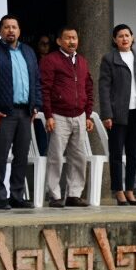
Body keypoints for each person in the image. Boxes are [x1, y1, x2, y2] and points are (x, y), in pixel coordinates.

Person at [0, 15, 41, 209]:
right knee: (1, 155)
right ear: (0, 31)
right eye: (6, 27)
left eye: (14, 27)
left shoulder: (29, 52)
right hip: (4, 113)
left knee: (21, 155)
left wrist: (36, 105)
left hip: (25, 112)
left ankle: (17, 195)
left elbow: (36, 82)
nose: (10, 31)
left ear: (19, 31)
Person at [99, 25, 136, 206]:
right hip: (117, 114)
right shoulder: (109, 59)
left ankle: (130, 189)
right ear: (114, 40)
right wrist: (107, 114)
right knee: (116, 153)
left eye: (127, 35)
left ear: (132, 38)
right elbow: (104, 88)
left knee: (133, 154)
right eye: (120, 36)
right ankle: (118, 190)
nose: (124, 39)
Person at [40, 26, 95, 208]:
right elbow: (45, 89)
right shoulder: (50, 60)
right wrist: (48, 115)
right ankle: (54, 194)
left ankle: (74, 194)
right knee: (55, 156)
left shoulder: (82, 61)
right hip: (58, 115)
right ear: (59, 41)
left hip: (79, 115)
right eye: (68, 38)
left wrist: (87, 115)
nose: (72, 41)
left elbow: (88, 88)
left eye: (75, 38)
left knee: (78, 157)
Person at [32, 33, 53, 159]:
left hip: (51, 104)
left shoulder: (53, 61)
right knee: (41, 142)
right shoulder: (33, 60)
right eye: (42, 44)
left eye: (48, 44)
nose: (45, 46)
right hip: (38, 104)